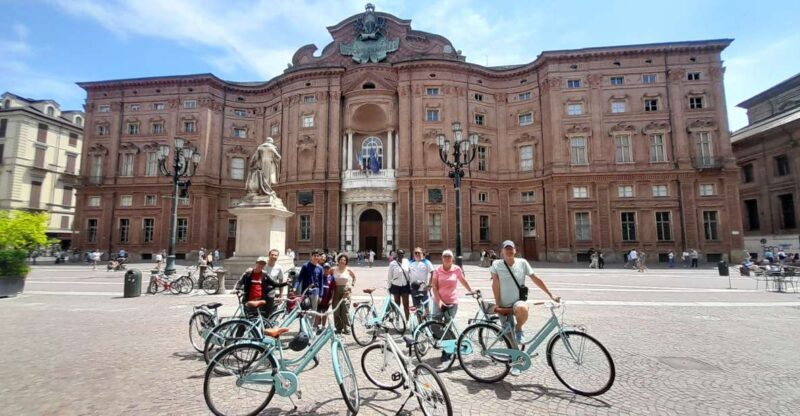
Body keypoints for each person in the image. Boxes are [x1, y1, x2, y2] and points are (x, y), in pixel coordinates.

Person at [491, 240, 560, 372]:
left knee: (522, 308)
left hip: (518, 302)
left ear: (515, 251)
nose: (509, 251)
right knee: (510, 339)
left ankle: (519, 328)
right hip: (503, 305)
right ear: (502, 251)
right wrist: (497, 304)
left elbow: (535, 278)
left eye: (511, 248)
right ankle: (516, 363)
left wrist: (551, 295)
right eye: (506, 249)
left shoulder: (522, 263)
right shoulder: (496, 264)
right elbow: (495, 283)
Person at [431, 249, 474, 361]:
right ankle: (449, 344)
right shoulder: (437, 270)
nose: (447, 258)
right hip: (438, 301)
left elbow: (462, 280)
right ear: (442, 258)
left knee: (447, 327)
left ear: (452, 259)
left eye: (449, 256)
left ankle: (447, 351)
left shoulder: (456, 269)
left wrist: (471, 290)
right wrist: (439, 301)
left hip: (452, 302)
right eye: (445, 256)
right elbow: (434, 286)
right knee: (435, 325)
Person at [235, 255, 289, 320]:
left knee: (257, 319)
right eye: (260, 263)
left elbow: (274, 284)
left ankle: (256, 330)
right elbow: (240, 282)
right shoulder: (248, 273)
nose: (261, 265)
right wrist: (236, 289)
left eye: (263, 264)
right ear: (256, 263)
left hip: (259, 301)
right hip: (248, 300)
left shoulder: (265, 274)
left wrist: (286, 283)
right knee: (246, 319)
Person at [294, 249, 325, 326]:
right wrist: (295, 287)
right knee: (305, 310)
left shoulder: (320, 268)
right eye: (314, 256)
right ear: (311, 256)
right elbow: (299, 278)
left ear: (319, 258)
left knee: (314, 311)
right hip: (305, 292)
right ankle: (303, 327)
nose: (316, 257)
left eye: (317, 256)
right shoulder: (305, 266)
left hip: (315, 292)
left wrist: (321, 295)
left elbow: (321, 282)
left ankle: (310, 327)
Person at [332, 254, 356, 334]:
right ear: (338, 260)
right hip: (335, 291)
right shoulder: (333, 269)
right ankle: (338, 328)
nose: (343, 261)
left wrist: (351, 286)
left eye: (344, 260)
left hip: (345, 291)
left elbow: (354, 277)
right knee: (336, 310)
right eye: (341, 260)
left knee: (345, 310)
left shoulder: (348, 270)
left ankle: (347, 328)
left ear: (346, 262)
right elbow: (327, 276)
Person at [387, 249, 411, 320]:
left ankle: (407, 321)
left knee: (406, 304)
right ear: (396, 254)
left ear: (404, 254)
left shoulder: (407, 262)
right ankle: (397, 320)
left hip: (405, 286)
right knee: (397, 304)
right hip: (396, 285)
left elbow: (410, 272)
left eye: (402, 253)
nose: (401, 255)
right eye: (399, 253)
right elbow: (389, 276)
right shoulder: (392, 263)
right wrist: (389, 287)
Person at [409, 247, 434, 313]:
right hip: (413, 289)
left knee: (426, 307)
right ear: (413, 254)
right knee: (416, 307)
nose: (417, 254)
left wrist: (430, 284)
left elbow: (433, 273)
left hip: (423, 289)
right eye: (415, 253)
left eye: (419, 253)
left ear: (422, 254)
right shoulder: (410, 262)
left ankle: (427, 322)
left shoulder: (426, 262)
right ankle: (419, 321)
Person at [317, 263, 337, 329]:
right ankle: (316, 326)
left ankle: (323, 326)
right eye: (325, 268)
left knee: (325, 313)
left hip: (327, 299)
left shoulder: (331, 277)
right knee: (318, 313)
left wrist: (332, 299)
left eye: (327, 268)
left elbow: (333, 290)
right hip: (320, 299)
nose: (326, 269)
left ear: (329, 269)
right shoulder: (320, 277)